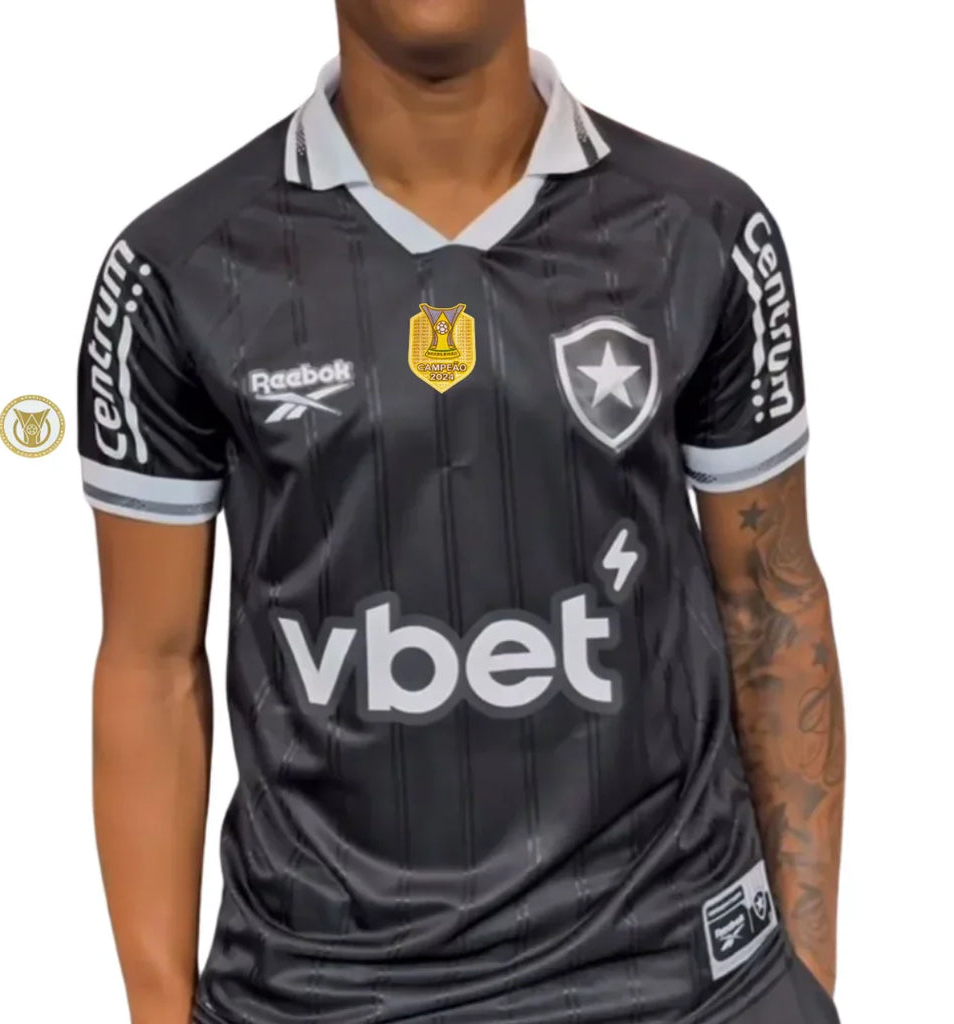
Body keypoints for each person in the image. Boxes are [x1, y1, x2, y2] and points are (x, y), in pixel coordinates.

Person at [78, 1, 845, 1021]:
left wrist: (802, 975)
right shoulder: (177, 269)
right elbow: (151, 663)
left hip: (685, 983)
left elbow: (770, 602)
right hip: (319, 995)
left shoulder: (701, 228)